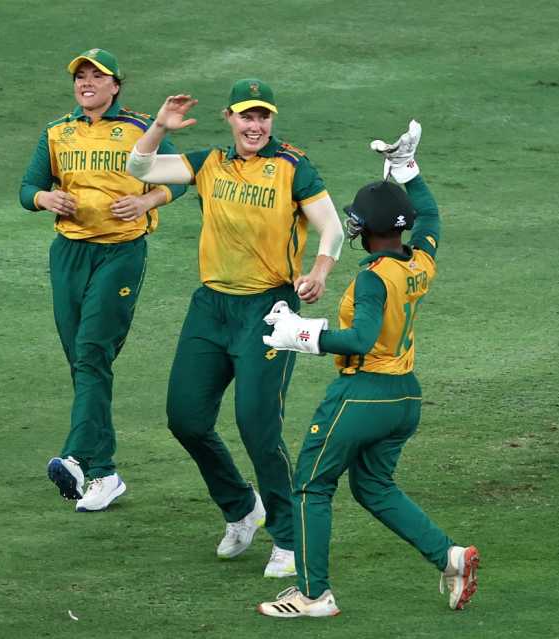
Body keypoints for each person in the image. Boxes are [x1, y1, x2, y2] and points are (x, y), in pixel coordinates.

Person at [256, 121, 479, 617]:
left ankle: (313, 595)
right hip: (405, 397)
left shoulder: (374, 279)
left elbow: (361, 339)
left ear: (366, 230)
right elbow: (432, 217)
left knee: (312, 484)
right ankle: (450, 557)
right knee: (373, 486)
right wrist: (408, 171)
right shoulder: (419, 261)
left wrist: (302, 335)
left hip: (362, 395)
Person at [127, 81, 344, 576]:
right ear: (229, 118)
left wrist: (319, 270)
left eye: (263, 117)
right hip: (210, 308)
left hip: (269, 312)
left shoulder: (292, 165)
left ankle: (288, 538)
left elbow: (330, 224)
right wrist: (160, 125)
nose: (255, 126)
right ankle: (242, 507)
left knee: (257, 424)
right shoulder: (207, 163)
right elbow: (137, 167)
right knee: (185, 418)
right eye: (247, 117)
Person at [19, 49, 187, 512]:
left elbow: (182, 177)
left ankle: (75, 457)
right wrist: (44, 198)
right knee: (83, 360)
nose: (87, 82)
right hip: (69, 253)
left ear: (116, 86)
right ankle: (105, 472)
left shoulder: (137, 128)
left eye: (98, 76)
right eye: (81, 76)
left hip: (120, 252)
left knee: (93, 350)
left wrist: (147, 202)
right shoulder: (57, 131)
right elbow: (25, 189)